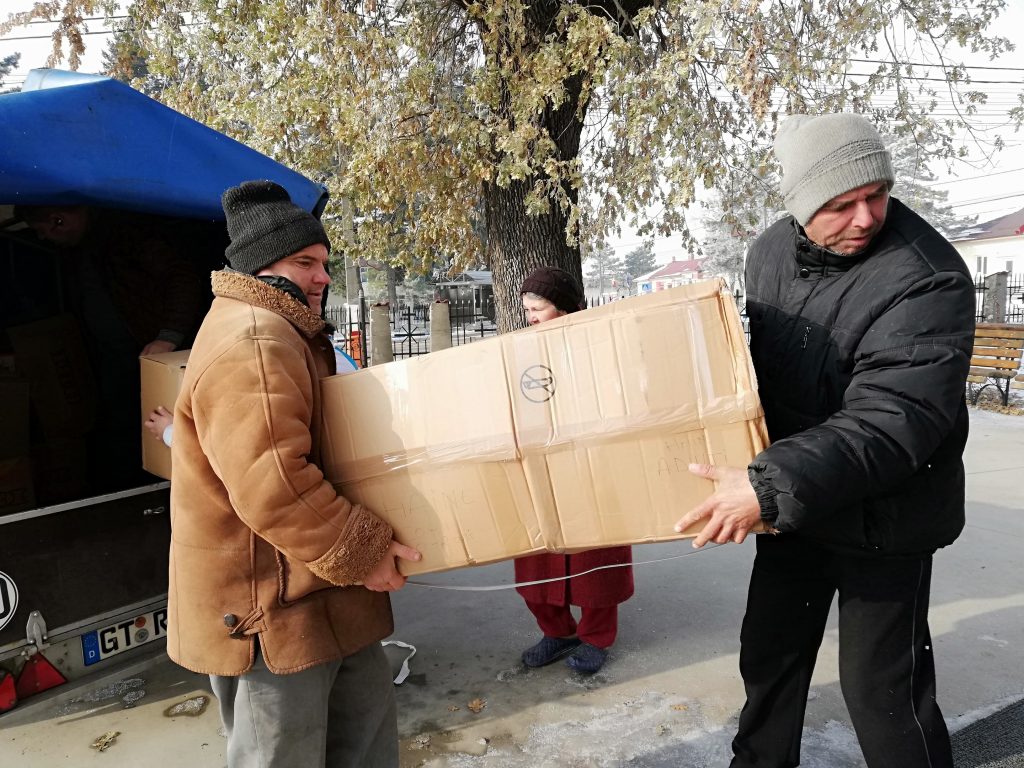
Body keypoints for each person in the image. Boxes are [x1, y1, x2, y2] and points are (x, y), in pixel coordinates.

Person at [675, 113, 974, 768]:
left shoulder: (927, 277)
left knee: (883, 693)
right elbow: (765, 375)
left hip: (886, 515)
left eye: (877, 193)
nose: (865, 217)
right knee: (769, 657)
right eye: (841, 204)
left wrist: (766, 486)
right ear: (800, 204)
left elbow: (896, 418)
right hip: (797, 507)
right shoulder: (769, 253)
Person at [167, 180, 421, 768]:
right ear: (263, 267)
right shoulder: (254, 339)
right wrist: (363, 552)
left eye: (325, 263)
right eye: (305, 263)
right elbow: (274, 486)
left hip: (318, 597)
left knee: (360, 744)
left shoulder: (281, 329)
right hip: (272, 612)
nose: (322, 277)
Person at [16, 204, 207, 491]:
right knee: (120, 428)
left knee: (144, 428)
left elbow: (182, 278)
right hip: (115, 355)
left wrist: (168, 337)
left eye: (43, 230)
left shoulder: (126, 234)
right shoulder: (82, 247)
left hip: (149, 354)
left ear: (59, 220)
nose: (43, 239)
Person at [515, 266, 634, 674]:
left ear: (564, 309)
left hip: (592, 467)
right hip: (539, 468)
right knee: (536, 561)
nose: (531, 317)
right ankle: (557, 632)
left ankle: (596, 637)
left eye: (538, 309)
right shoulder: (520, 351)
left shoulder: (599, 348)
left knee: (594, 565)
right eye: (528, 310)